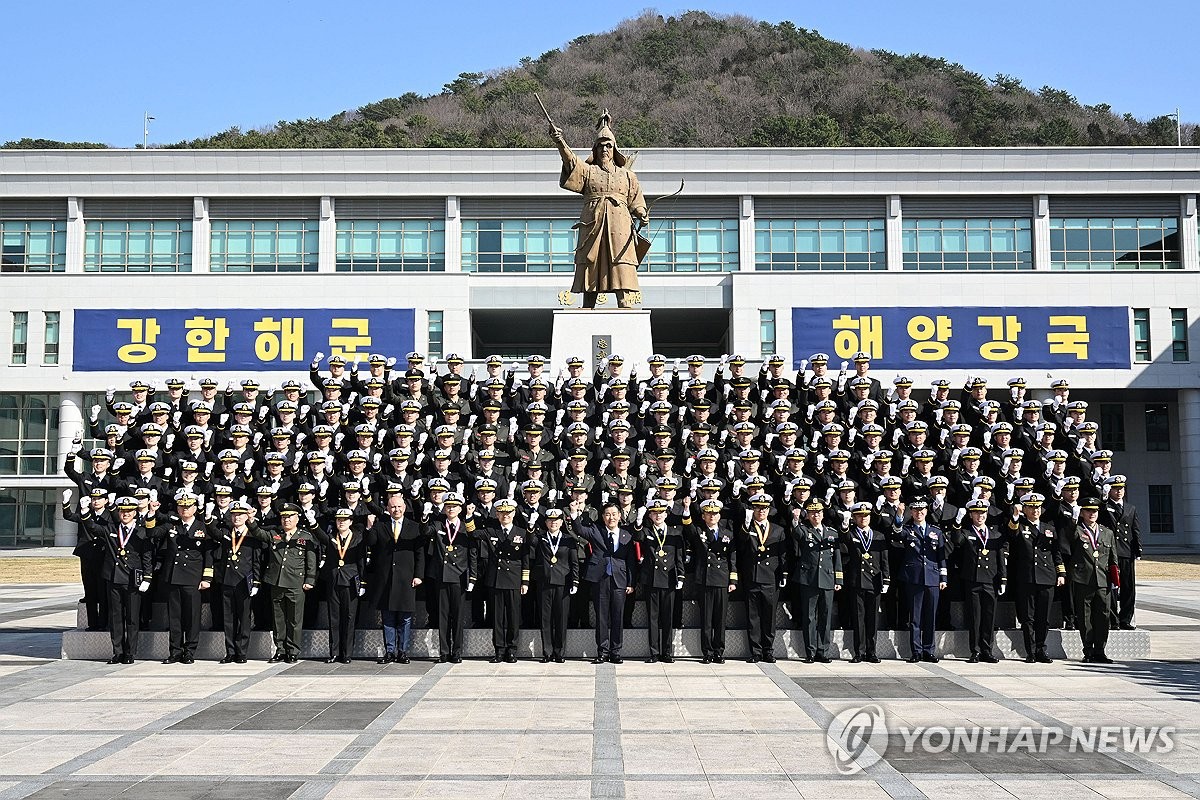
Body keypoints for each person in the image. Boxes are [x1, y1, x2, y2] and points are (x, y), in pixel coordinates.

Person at [549, 110, 649, 309]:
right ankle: (588, 305)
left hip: (619, 225)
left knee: (621, 263)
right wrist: (560, 142)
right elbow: (571, 162)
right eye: (601, 146)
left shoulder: (627, 175)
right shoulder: (589, 171)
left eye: (609, 146)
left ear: (615, 149)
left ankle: (624, 302)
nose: (605, 149)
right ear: (595, 149)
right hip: (593, 223)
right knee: (590, 262)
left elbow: (636, 201)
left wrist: (641, 213)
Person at [82, 496, 154, 664]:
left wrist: (147, 577)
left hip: (132, 579)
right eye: (122, 511)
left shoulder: (141, 531)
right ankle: (118, 652)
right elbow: (92, 527)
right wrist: (85, 511)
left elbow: (147, 556)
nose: (125, 514)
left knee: (132, 618)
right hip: (114, 578)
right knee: (115, 617)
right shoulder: (111, 529)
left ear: (135, 512)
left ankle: (130, 652)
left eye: (129, 511)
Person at [570, 500, 639, 664]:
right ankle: (602, 651)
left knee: (617, 616)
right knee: (601, 617)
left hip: (619, 580)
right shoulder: (596, 530)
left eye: (614, 514)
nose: (611, 517)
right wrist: (574, 513)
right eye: (607, 514)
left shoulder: (626, 535)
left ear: (620, 516)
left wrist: (631, 582)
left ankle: (615, 652)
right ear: (603, 516)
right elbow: (579, 529)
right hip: (600, 579)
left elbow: (631, 561)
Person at [1004, 493, 1064, 663]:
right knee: (1027, 617)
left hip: (1047, 577)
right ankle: (1030, 651)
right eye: (1031, 507)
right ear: (1024, 509)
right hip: (1027, 578)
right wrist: (1015, 516)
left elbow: (1056, 553)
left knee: (1043, 618)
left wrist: (1061, 573)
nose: (1035, 510)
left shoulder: (1049, 528)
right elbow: (1011, 534)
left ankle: (1041, 649)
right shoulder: (1020, 526)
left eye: (1037, 507)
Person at [368, 493, 426, 664]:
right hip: (385, 580)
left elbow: (419, 553)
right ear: (387, 509)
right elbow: (371, 543)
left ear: (405, 508)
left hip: (406, 579)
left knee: (405, 618)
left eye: (399, 506)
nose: (396, 509)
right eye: (393, 506)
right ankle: (390, 651)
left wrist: (419, 575)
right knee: (388, 618)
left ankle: (403, 651)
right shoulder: (381, 526)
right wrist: (370, 528)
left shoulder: (414, 527)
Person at [157, 492, 213, 664]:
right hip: (174, 576)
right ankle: (175, 651)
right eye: (181, 506)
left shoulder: (203, 527)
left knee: (192, 616)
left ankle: (189, 650)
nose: (184, 509)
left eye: (188, 506)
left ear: (195, 508)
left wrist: (207, 577)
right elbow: (153, 534)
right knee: (174, 617)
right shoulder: (172, 526)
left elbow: (208, 554)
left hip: (193, 578)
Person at [475, 497, 530, 663]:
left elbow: (525, 558)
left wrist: (525, 581)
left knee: (513, 617)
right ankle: (499, 649)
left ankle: (512, 649)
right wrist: (470, 516)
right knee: (497, 617)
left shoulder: (521, 532)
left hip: (514, 579)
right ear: (497, 514)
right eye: (502, 513)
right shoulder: (491, 531)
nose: (505, 515)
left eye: (508, 513)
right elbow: (472, 533)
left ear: (513, 514)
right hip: (496, 579)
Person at [952, 499, 1006, 663]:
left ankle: (987, 650)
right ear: (970, 515)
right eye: (976, 513)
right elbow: (956, 540)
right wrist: (957, 523)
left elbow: (1000, 558)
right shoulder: (966, 532)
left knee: (989, 618)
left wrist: (1003, 579)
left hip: (991, 580)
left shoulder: (995, 534)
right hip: (973, 580)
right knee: (975, 617)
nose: (980, 516)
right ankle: (975, 651)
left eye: (982, 513)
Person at [893, 498, 947, 663]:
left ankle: (929, 651)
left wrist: (943, 577)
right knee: (915, 617)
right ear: (911, 512)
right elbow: (896, 530)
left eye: (922, 509)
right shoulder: (907, 530)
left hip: (932, 577)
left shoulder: (935, 531)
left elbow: (941, 557)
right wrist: (899, 514)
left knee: (930, 617)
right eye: (915, 510)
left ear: (927, 511)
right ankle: (916, 651)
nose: (919, 512)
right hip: (914, 578)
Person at [685, 498, 738, 664]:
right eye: (709, 513)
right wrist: (687, 508)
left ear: (719, 515)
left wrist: (733, 580)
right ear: (703, 516)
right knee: (706, 619)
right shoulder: (698, 531)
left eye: (715, 513)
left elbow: (732, 558)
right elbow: (687, 527)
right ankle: (707, 652)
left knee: (720, 620)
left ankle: (719, 651)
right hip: (705, 580)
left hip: (722, 579)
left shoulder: (727, 534)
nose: (712, 516)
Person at [262, 504, 318, 663]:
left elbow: (311, 560)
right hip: (277, 581)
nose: (287, 520)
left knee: (294, 619)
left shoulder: (305, 536)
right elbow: (258, 533)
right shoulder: (275, 534)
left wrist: (310, 580)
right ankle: (280, 650)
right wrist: (251, 521)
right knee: (278, 619)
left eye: (290, 517)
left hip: (295, 583)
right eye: (284, 517)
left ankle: (293, 651)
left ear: (297, 518)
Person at [635, 498, 687, 663]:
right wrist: (638, 521)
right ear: (650, 515)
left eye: (661, 512)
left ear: (666, 514)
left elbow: (679, 557)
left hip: (669, 579)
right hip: (651, 579)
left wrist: (680, 576)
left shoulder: (675, 532)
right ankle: (654, 652)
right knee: (653, 618)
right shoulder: (647, 531)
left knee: (667, 618)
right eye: (654, 513)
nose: (658, 515)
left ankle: (667, 652)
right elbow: (636, 536)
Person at [1068, 497, 1119, 663]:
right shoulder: (1076, 530)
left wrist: (1115, 580)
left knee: (1103, 617)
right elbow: (1066, 542)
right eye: (1088, 510)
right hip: (1083, 579)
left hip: (1103, 581)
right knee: (1085, 617)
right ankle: (1088, 650)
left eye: (1095, 511)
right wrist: (1073, 520)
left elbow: (1113, 559)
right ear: (1082, 512)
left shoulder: (1107, 533)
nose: (1092, 514)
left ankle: (1100, 651)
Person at [739, 493, 789, 663]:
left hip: (770, 578)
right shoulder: (747, 527)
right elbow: (740, 543)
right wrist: (746, 524)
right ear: (752, 509)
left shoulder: (778, 529)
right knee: (753, 617)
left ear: (769, 510)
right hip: (752, 576)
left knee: (769, 617)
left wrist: (784, 573)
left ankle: (768, 650)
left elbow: (782, 555)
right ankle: (755, 651)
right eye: (758, 508)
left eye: (764, 508)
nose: (761, 511)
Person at [791, 498, 842, 663]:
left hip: (827, 578)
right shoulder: (804, 530)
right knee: (809, 617)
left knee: (825, 617)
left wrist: (838, 579)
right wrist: (796, 519)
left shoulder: (832, 532)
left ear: (823, 514)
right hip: (809, 579)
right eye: (812, 513)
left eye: (818, 512)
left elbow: (837, 558)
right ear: (808, 515)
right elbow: (796, 534)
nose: (816, 516)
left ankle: (823, 652)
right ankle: (810, 652)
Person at [212, 501, 264, 664]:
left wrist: (256, 582)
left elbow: (256, 561)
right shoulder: (227, 533)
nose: (237, 517)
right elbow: (213, 532)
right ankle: (230, 651)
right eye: (234, 515)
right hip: (228, 580)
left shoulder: (252, 535)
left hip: (244, 581)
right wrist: (207, 517)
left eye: (240, 515)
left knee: (244, 617)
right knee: (228, 618)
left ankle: (241, 652)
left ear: (246, 516)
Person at [529, 507, 580, 662]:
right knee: (545, 619)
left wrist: (575, 581)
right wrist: (531, 527)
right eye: (550, 520)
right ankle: (547, 652)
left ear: (561, 522)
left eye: (556, 520)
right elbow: (530, 542)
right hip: (544, 582)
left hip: (562, 583)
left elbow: (574, 562)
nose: (553, 523)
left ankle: (559, 652)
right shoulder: (540, 537)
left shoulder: (568, 539)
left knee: (561, 618)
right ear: (546, 522)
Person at [841, 502, 889, 663]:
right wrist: (845, 524)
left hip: (874, 581)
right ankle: (859, 652)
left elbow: (884, 560)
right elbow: (844, 537)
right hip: (857, 582)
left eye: (866, 515)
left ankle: (872, 651)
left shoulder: (878, 535)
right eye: (860, 516)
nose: (864, 518)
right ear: (854, 518)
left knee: (872, 618)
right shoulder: (852, 533)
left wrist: (886, 579)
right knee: (858, 618)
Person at [323, 508, 367, 663]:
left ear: (351, 521)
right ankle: (334, 652)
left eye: (345, 519)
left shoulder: (358, 538)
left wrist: (362, 582)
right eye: (338, 519)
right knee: (333, 617)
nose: (341, 522)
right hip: (334, 581)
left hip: (350, 581)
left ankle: (347, 653)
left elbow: (361, 561)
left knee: (349, 618)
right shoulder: (330, 537)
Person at [1099, 476, 1141, 629]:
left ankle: (1126, 619)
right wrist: (1103, 499)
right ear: (1109, 490)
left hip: (1125, 551)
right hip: (1110, 551)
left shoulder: (1130, 508)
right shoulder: (1105, 506)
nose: (1119, 491)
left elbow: (1134, 530)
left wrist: (1137, 549)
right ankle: (1113, 619)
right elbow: (1100, 516)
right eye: (1115, 488)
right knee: (1111, 587)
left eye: (1121, 488)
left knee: (1128, 587)